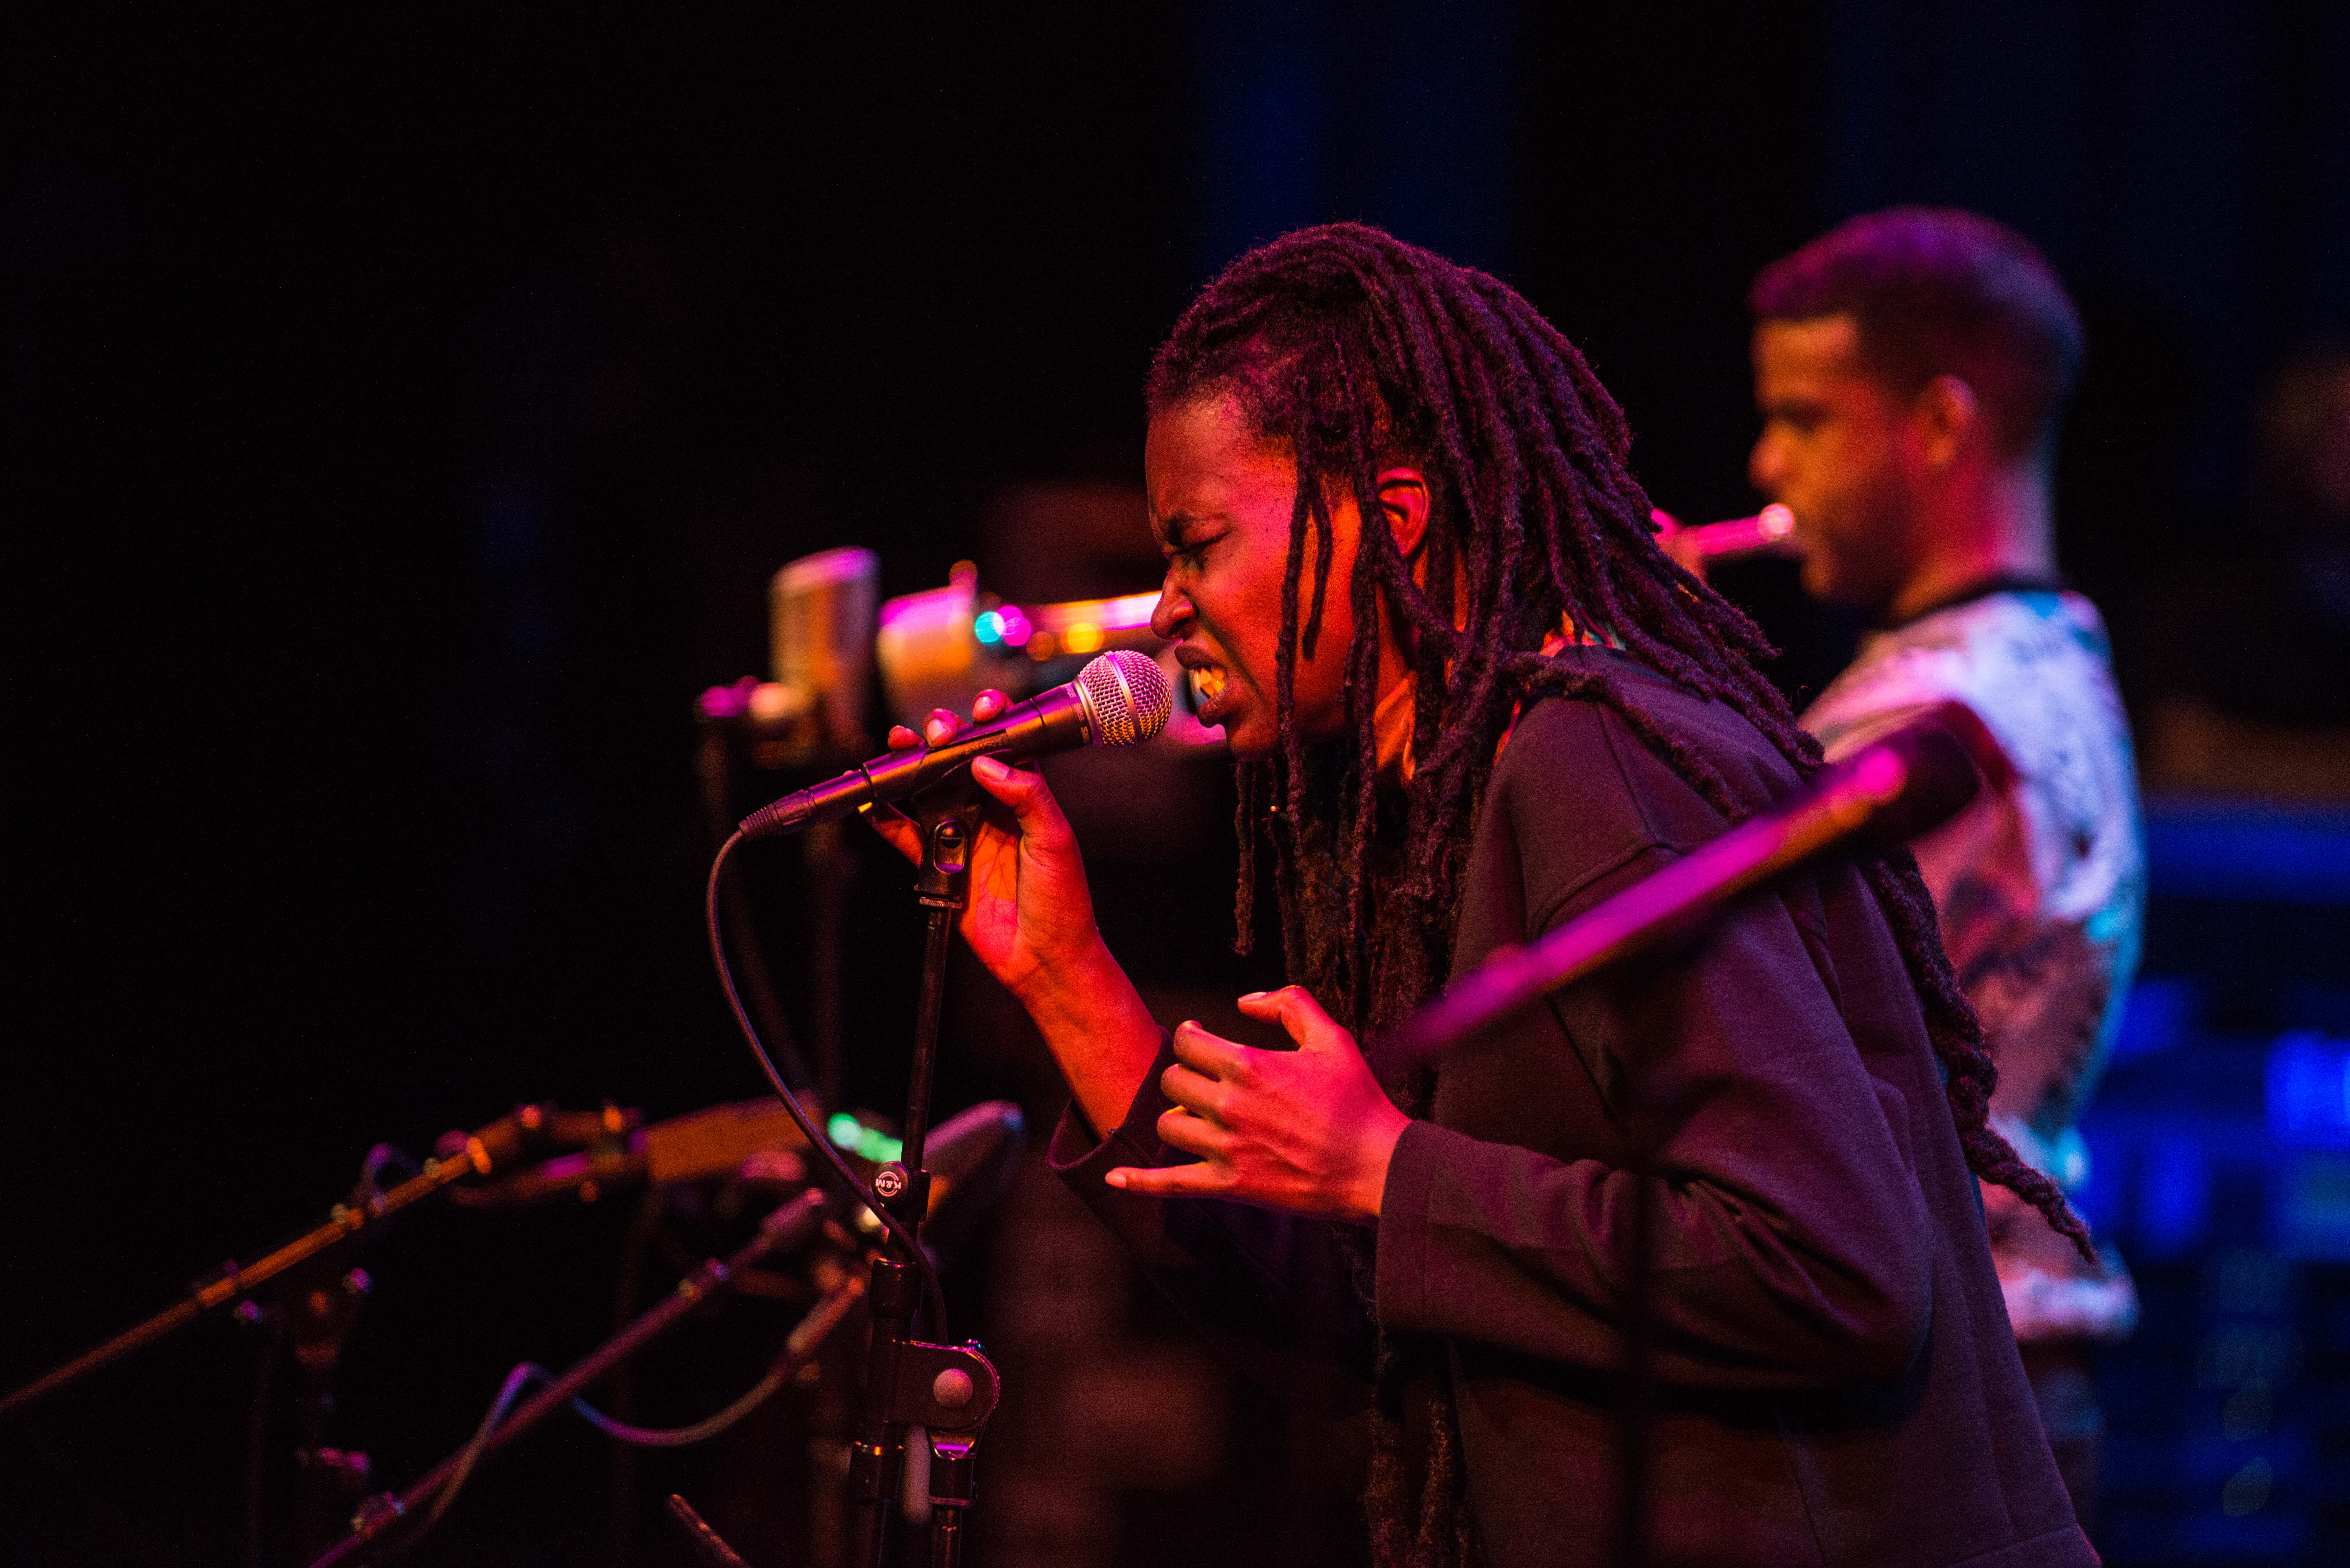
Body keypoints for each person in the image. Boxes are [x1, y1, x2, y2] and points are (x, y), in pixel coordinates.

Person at [874, 223, 2096, 1566]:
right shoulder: (1442, 810)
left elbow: (1835, 1267)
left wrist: (1387, 1166)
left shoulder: (1595, 759)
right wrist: (1060, 971)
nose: (1164, 609)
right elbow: (1360, 1324)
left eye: (1197, 544)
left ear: (1384, 520)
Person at [1741, 208, 2145, 1525]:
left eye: (1806, 418)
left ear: (1937, 427)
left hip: (1940, 1400)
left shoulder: (1932, 718)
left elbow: (1730, 1022)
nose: (1765, 460)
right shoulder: (2055, 649)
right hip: (2009, 1364)